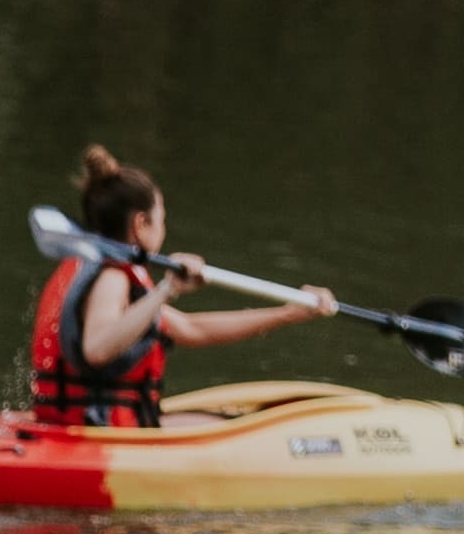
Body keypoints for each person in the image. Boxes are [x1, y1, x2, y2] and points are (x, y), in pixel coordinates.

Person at [23, 145, 338, 427]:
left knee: (229, 422)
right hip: (101, 433)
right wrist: (167, 289)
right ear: (140, 224)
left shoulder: (89, 269)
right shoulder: (112, 277)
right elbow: (97, 348)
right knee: (239, 429)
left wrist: (286, 314)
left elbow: (190, 328)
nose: (165, 229)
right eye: (162, 220)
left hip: (76, 423)